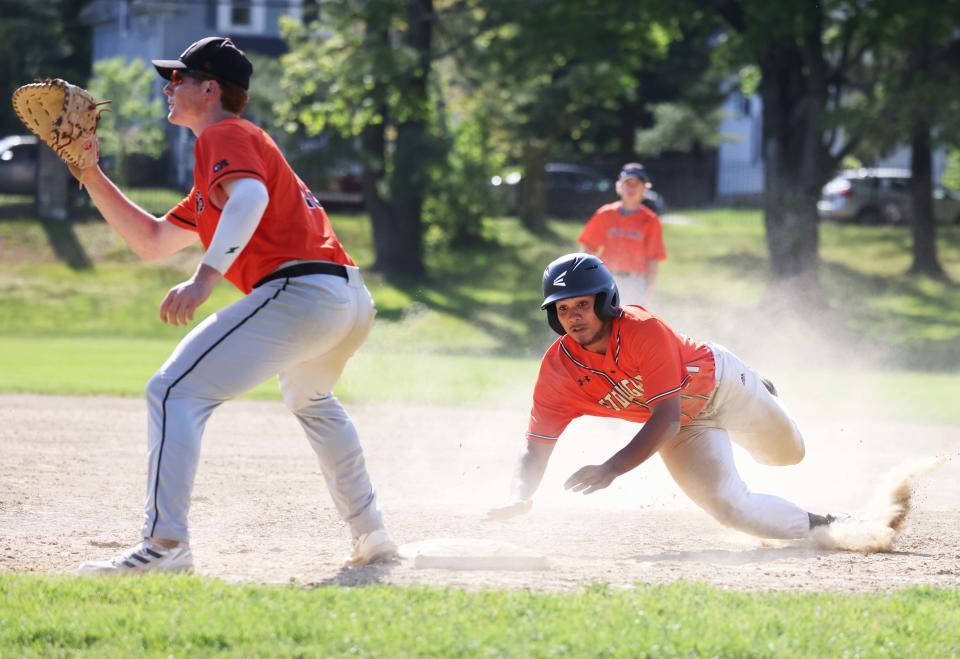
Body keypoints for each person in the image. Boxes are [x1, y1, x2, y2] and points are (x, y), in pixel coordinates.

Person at [75, 36, 396, 574]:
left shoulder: (225, 134)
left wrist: (204, 280)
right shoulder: (223, 160)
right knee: (311, 398)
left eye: (178, 78)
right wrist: (89, 172)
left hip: (301, 293)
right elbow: (152, 240)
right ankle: (371, 534)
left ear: (210, 88)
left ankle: (165, 546)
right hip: (345, 298)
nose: (168, 87)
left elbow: (251, 200)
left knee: (173, 389)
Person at [486, 252, 837, 539]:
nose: (573, 316)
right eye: (563, 309)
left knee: (789, 455)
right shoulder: (558, 373)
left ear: (606, 302)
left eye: (582, 304)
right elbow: (536, 444)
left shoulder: (641, 330)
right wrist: (520, 496)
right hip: (682, 426)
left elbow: (666, 415)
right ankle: (829, 526)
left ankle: (764, 389)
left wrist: (612, 468)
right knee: (730, 509)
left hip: (722, 387)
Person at [577, 163, 666, 305]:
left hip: (636, 282)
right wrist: (585, 279)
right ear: (619, 187)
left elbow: (652, 259)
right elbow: (588, 250)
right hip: (606, 279)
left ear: (644, 188)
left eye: (636, 184)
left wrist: (649, 289)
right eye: (627, 183)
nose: (631, 188)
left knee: (631, 324)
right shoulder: (605, 214)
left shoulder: (650, 220)